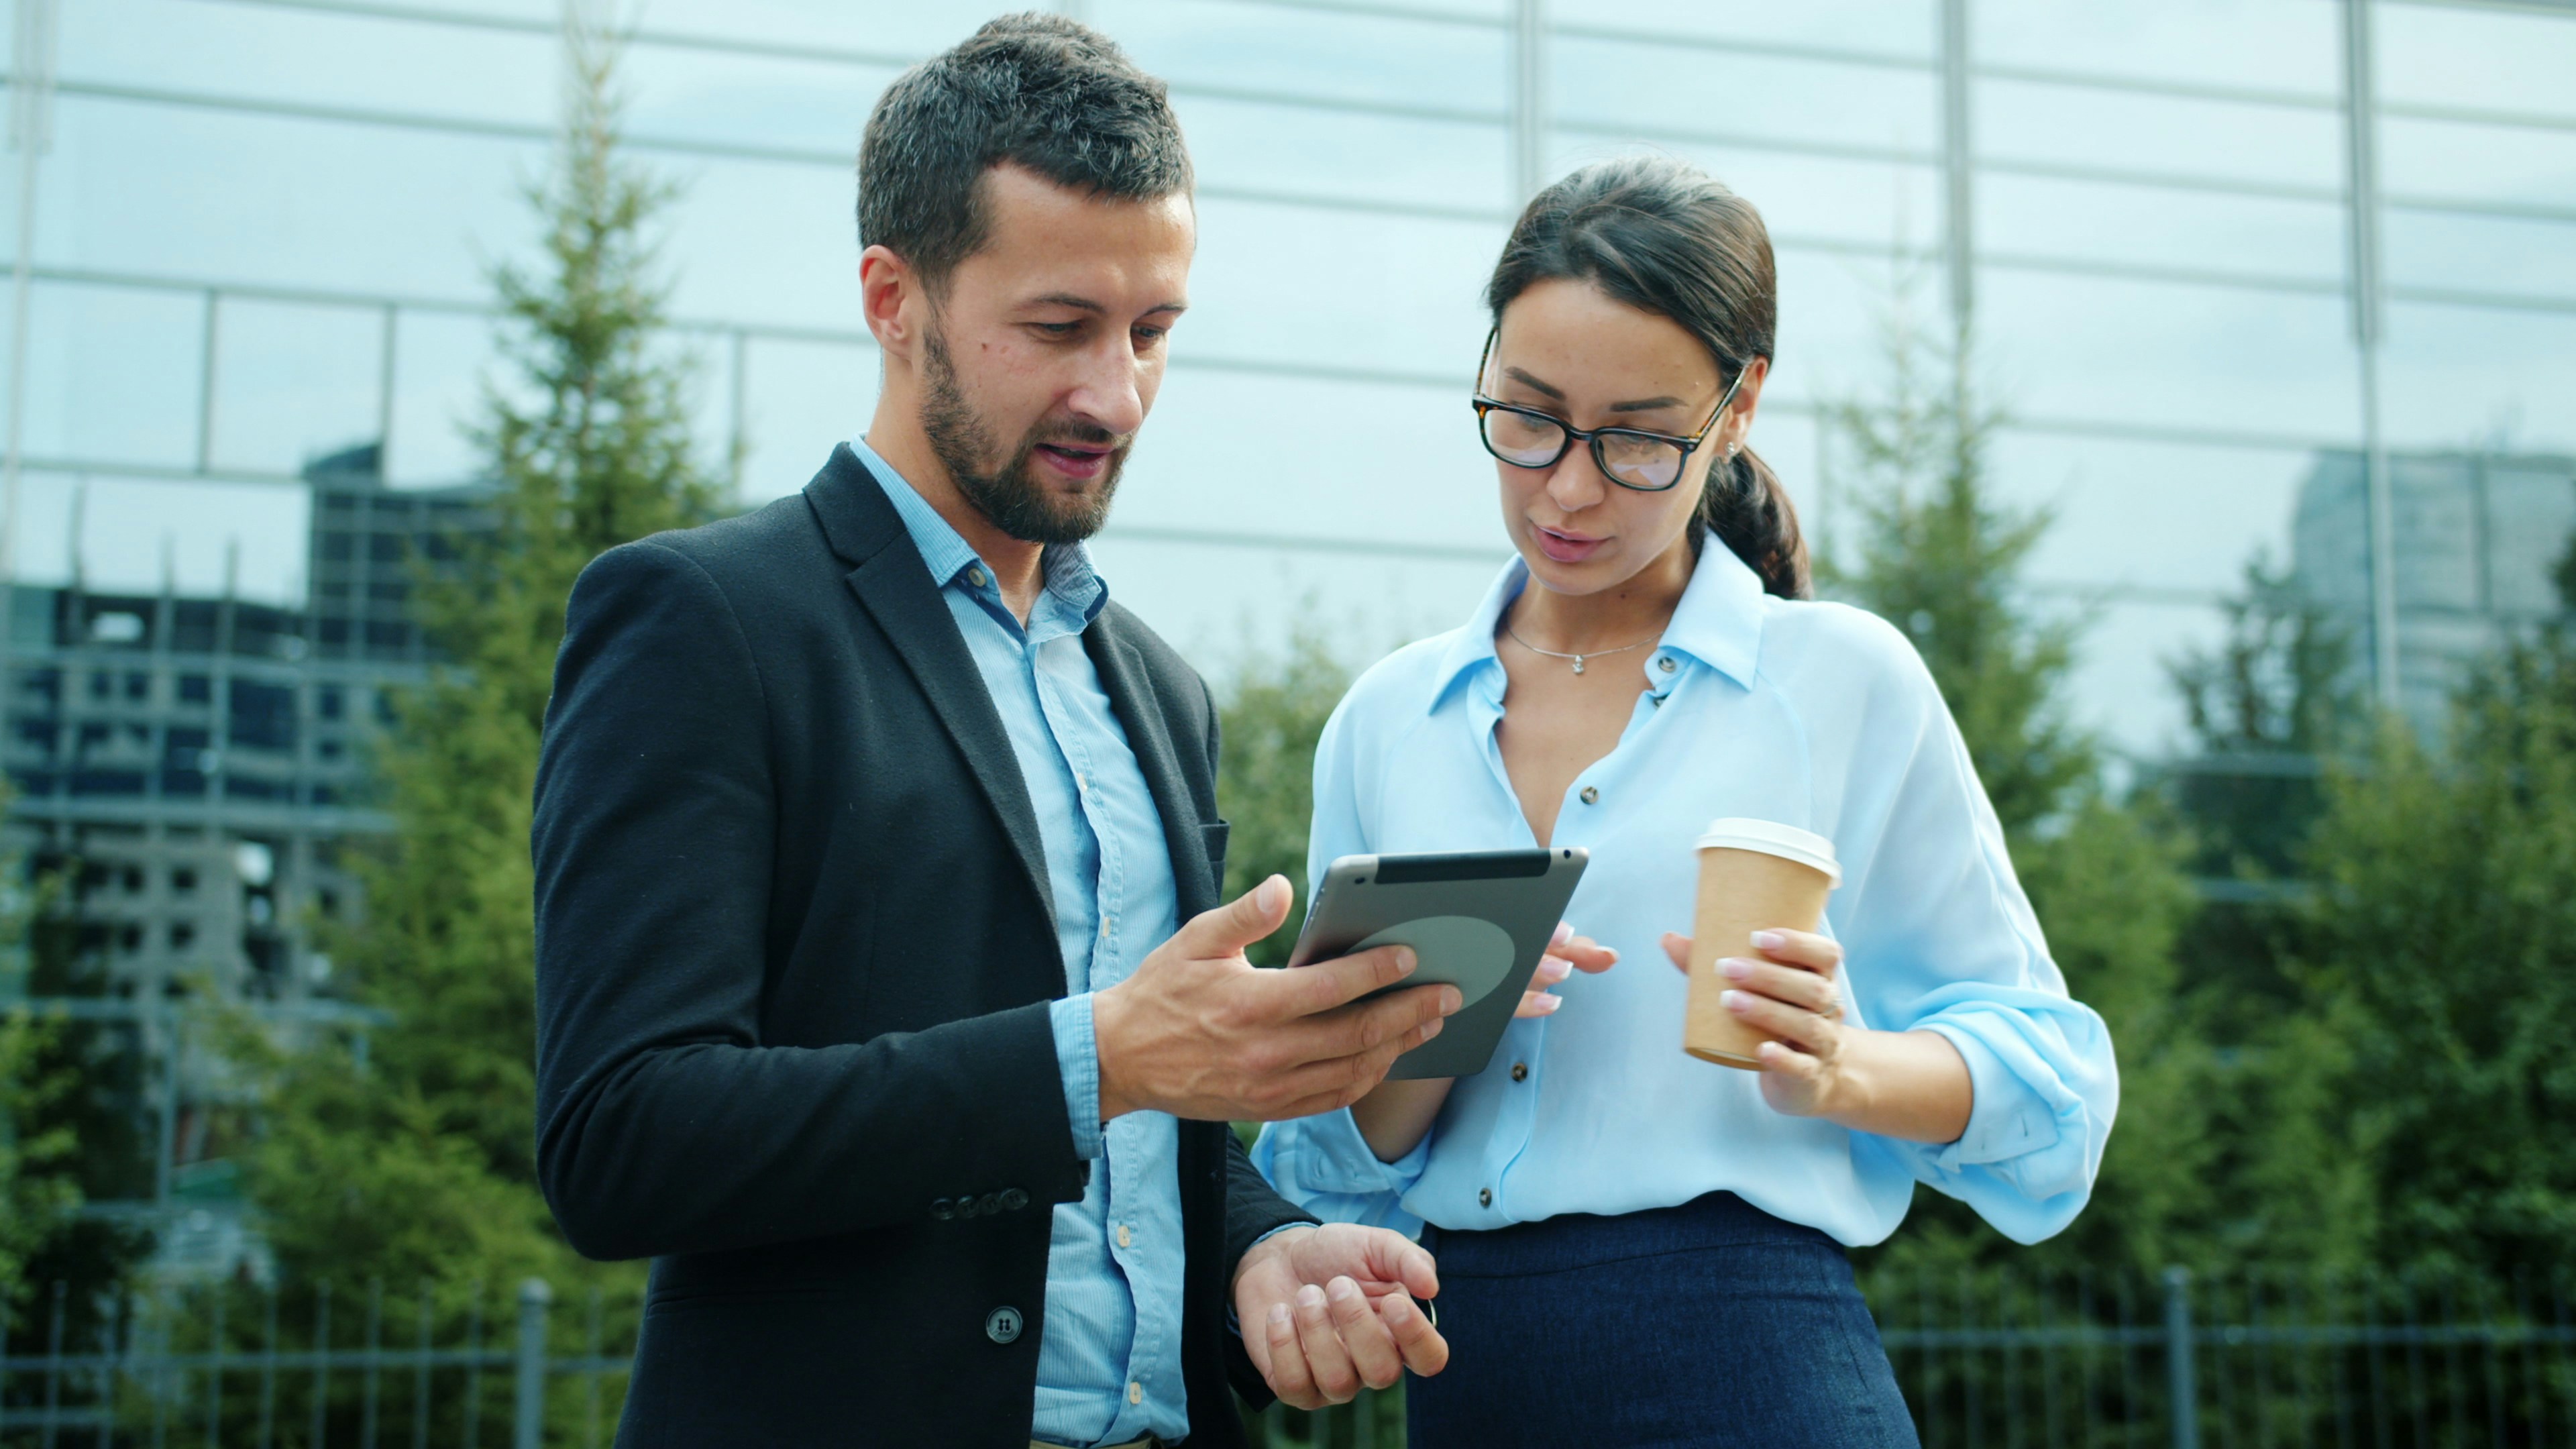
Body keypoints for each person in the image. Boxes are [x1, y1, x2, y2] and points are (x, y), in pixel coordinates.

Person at [531, 16, 1462, 1446]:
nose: (1117, 394)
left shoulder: (1157, 688)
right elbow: (623, 1140)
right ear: (892, 298)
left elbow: (1153, 1147)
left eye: (1154, 332)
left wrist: (1258, 1255)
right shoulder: (702, 621)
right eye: (1058, 329)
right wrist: (1101, 1059)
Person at [1250, 155, 2119, 1448]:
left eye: (1639, 439)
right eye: (1529, 416)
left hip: (1758, 1368)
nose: (1569, 487)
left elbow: (2058, 1099)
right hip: (1467, 1374)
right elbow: (1326, 1165)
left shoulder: (1842, 684)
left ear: (1740, 406)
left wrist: (1847, 1065)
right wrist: (1430, 1023)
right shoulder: (1388, 721)